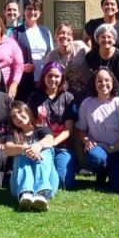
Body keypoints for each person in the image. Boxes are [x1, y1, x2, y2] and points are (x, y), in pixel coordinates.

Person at [75, 68, 119, 194]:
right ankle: (102, 172)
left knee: (118, 188)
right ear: (94, 83)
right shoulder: (87, 103)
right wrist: (86, 140)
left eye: (107, 80)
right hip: (99, 150)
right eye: (99, 81)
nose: (103, 84)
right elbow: (81, 130)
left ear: (112, 82)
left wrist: (114, 147)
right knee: (94, 157)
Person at [27, 62, 78, 190]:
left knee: (64, 182)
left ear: (62, 78)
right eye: (49, 76)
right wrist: (43, 143)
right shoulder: (34, 97)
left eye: (57, 76)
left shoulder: (68, 97)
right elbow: (30, 124)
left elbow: (68, 130)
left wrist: (53, 142)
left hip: (62, 146)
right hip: (41, 146)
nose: (53, 80)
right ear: (44, 76)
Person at [3, 101, 58, 211]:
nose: (18, 117)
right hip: (19, 184)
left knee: (46, 152)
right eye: (14, 116)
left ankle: (41, 193)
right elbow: (8, 148)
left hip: (48, 181)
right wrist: (26, 149)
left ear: (27, 111)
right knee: (20, 155)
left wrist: (38, 145)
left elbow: (50, 140)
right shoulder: (12, 134)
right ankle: (25, 193)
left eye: (20, 112)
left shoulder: (41, 129)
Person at [12, 0, 53, 101]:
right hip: (24, 81)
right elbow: (9, 57)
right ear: (23, 11)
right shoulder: (15, 32)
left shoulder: (46, 31)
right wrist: (22, 66)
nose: (32, 12)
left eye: (36, 9)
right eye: (29, 8)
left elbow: (51, 54)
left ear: (40, 13)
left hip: (44, 81)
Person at [85, 24, 119, 101]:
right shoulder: (91, 55)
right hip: (99, 95)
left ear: (114, 40)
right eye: (103, 37)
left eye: (109, 37)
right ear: (97, 39)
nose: (106, 40)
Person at [45, 22, 91, 100]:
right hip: (65, 94)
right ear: (55, 37)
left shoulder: (80, 47)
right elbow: (47, 77)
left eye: (68, 34)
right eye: (62, 33)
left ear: (72, 37)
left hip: (87, 90)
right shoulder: (51, 56)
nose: (65, 36)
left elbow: (93, 58)